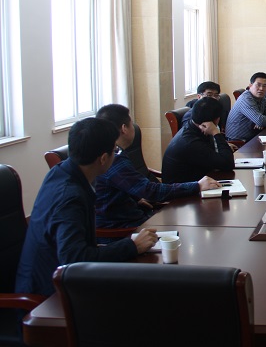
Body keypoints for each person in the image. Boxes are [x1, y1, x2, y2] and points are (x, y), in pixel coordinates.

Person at [15, 118, 159, 297]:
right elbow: (74, 259)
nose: (116, 154)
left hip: (60, 279)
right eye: (115, 150)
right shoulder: (69, 197)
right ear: (104, 158)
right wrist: (131, 246)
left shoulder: (61, 171)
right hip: (47, 294)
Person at [95, 104, 222, 229]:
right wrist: (197, 186)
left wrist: (135, 199)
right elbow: (150, 191)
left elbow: (122, 185)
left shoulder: (109, 152)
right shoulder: (113, 160)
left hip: (134, 214)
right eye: (131, 123)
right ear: (124, 129)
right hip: (123, 229)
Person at [162, 96, 235, 184]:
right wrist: (216, 133)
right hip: (182, 190)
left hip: (198, 180)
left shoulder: (193, 127)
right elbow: (228, 164)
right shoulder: (191, 142)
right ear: (216, 119)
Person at [225, 72, 266, 142]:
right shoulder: (245, 99)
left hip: (253, 136)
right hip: (238, 141)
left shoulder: (262, 98)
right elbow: (261, 120)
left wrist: (262, 120)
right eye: (258, 85)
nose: (261, 88)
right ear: (250, 85)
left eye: (264, 86)